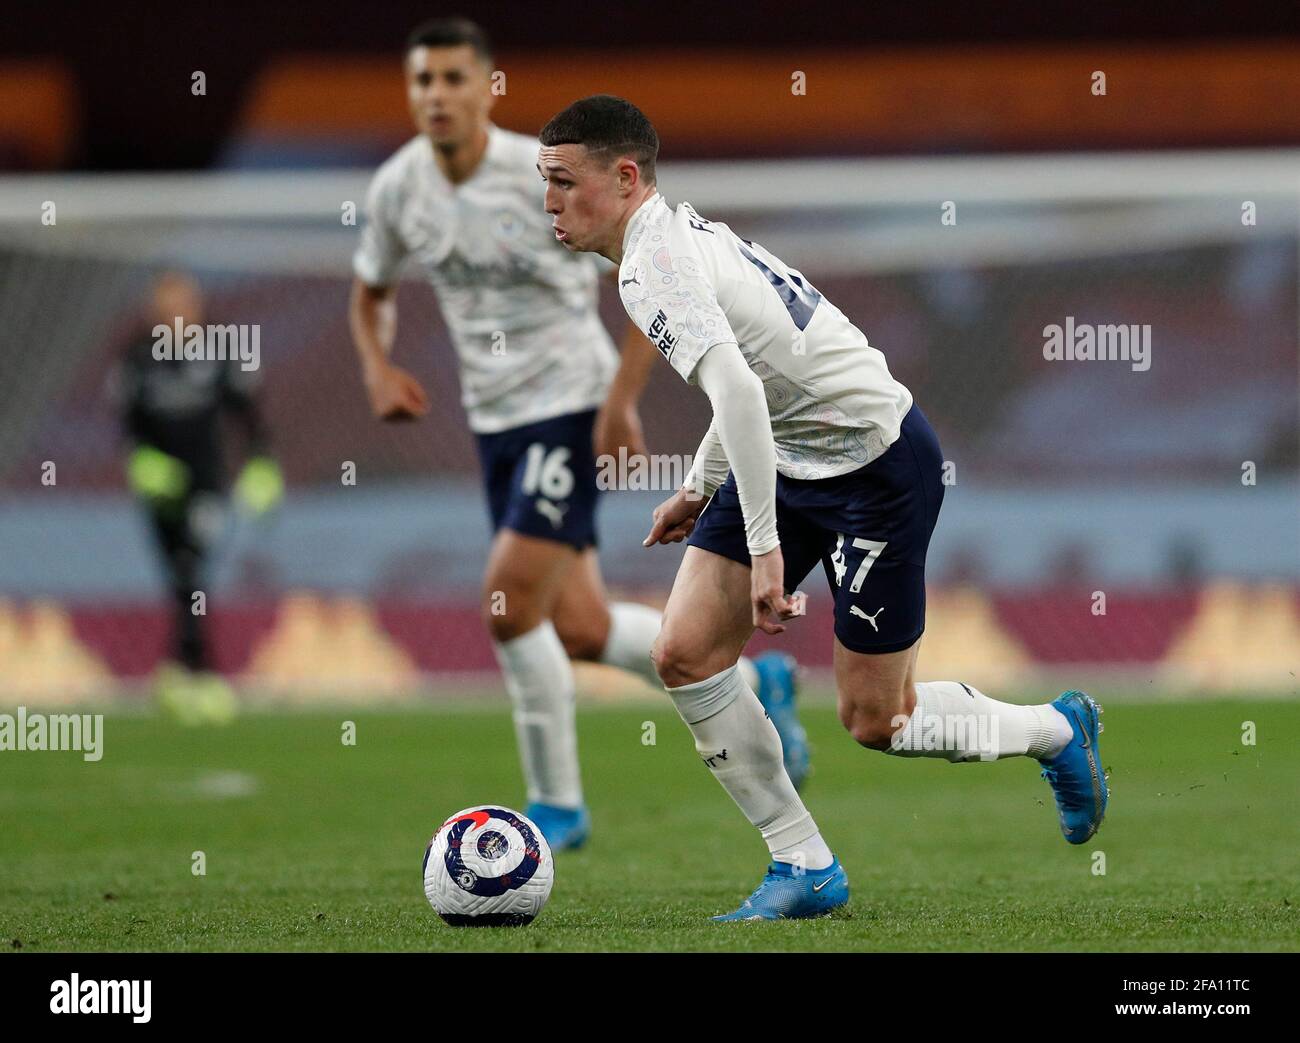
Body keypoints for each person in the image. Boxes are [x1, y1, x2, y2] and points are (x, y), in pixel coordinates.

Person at [536, 94, 1108, 920]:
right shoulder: (669, 239)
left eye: (562, 181)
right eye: (543, 183)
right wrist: (701, 488)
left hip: (876, 464)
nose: (548, 201)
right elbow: (750, 383)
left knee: (878, 719)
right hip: (787, 454)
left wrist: (764, 548)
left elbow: (737, 386)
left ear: (625, 178)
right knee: (686, 651)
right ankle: (803, 864)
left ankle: (1056, 730)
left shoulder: (649, 265)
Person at [349, 22, 809, 850]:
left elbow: (644, 272)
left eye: (455, 78)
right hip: (493, 421)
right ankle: (756, 679)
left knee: (508, 600)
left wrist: (620, 401)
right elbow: (369, 289)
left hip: (567, 406)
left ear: (485, 86)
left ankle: (556, 804)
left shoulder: (547, 173)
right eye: (423, 81)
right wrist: (377, 366)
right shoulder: (395, 191)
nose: (437, 96)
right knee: (578, 628)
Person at [119, 270, 283, 723]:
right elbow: (128, 424)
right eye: (167, 306)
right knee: (177, 577)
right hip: (160, 491)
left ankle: (202, 673)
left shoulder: (219, 353)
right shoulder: (139, 358)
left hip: (205, 485)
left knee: (192, 570)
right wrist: (142, 461)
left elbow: (248, 415)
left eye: (184, 305)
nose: (176, 315)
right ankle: (178, 669)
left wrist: (261, 463)